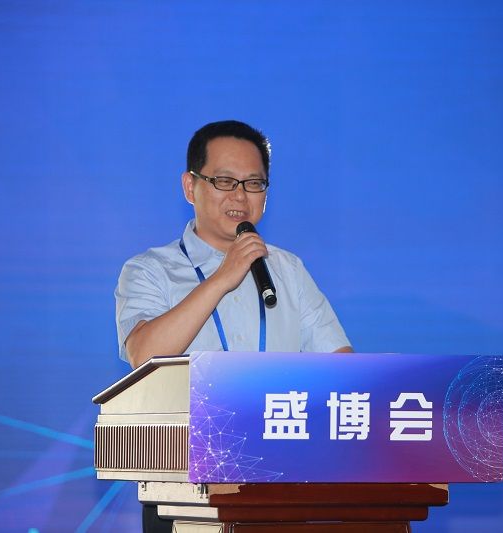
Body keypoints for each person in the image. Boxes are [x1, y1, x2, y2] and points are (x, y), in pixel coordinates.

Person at [114, 120, 352, 531]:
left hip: (283, 479)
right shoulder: (149, 270)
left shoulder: (288, 270)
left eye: (254, 183)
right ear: (190, 187)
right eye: (225, 181)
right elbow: (144, 354)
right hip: (185, 487)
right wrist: (224, 276)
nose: (240, 196)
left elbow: (343, 368)